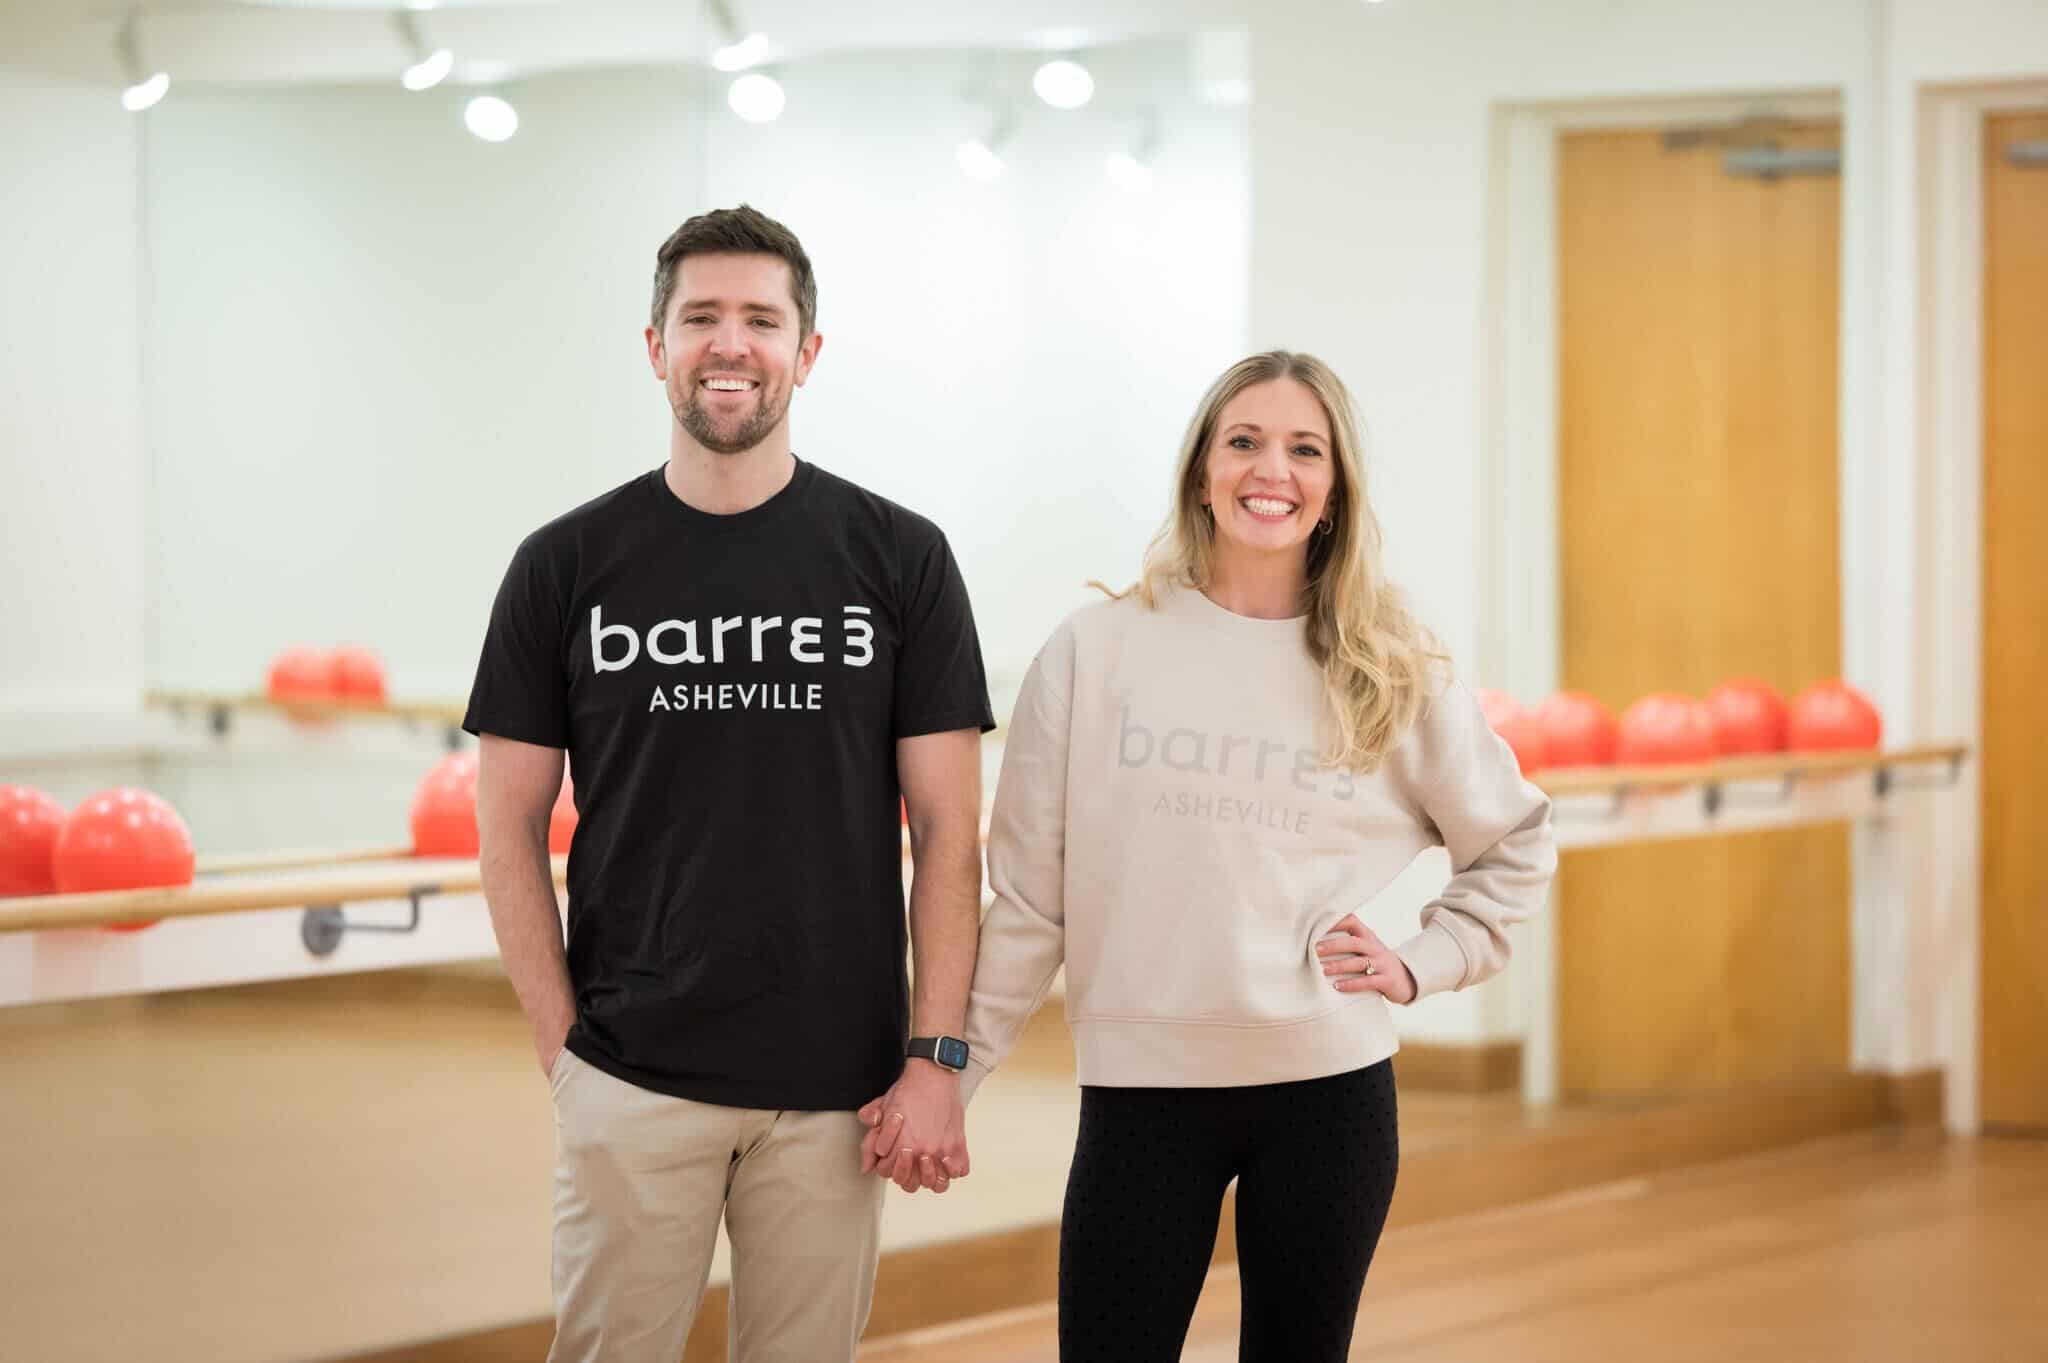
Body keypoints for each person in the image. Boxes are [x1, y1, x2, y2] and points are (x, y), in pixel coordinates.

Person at [930, 350, 1557, 1362]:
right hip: (1140, 1099)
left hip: (1328, 1096)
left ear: (1333, 488)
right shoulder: (1095, 649)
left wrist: (1422, 960)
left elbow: (1515, 841)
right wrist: (947, 1076)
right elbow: (1029, 903)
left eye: (1304, 449)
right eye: (1243, 442)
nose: (1272, 469)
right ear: (1200, 471)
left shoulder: (1389, 666)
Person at [464, 204, 994, 1363]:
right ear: (654, 345)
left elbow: (951, 833)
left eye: (761, 318)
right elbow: (504, 829)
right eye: (700, 316)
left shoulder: (900, 557)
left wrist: (933, 1056)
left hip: (834, 1089)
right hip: (630, 1074)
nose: (729, 343)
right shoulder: (563, 565)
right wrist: (566, 1054)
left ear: (805, 352)